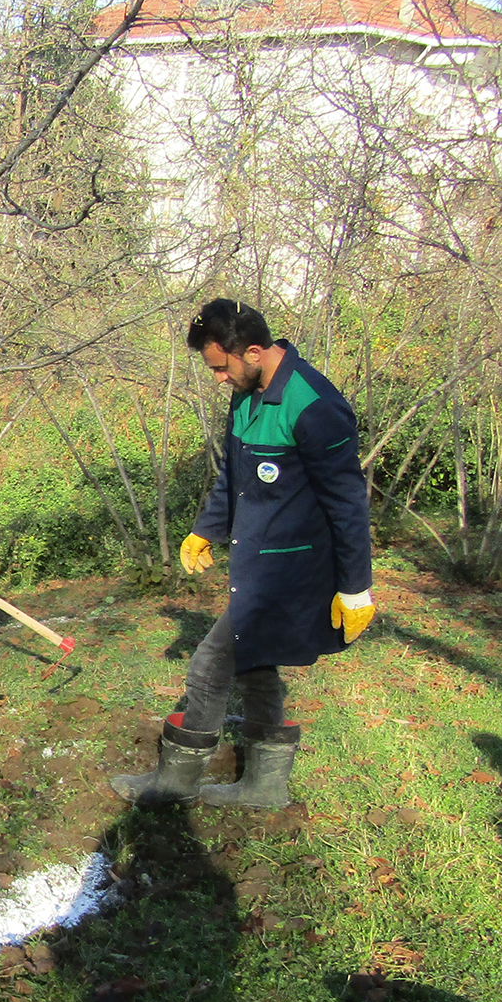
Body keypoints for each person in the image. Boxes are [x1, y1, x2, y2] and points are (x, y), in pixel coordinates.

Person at [111, 299, 375, 808]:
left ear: (253, 351)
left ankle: (176, 784)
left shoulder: (315, 405)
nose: (217, 379)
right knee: (255, 666)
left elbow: (347, 503)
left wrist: (355, 586)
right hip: (258, 567)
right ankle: (264, 787)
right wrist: (205, 530)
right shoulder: (247, 396)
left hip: (295, 573)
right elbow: (235, 478)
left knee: (210, 665)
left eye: (220, 367)